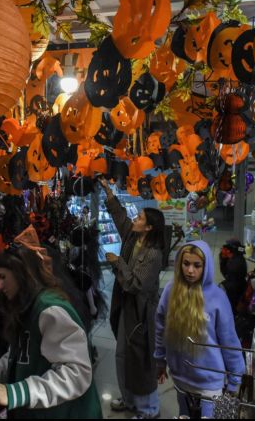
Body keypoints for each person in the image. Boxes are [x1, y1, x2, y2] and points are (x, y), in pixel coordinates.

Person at [0, 245, 102, 419]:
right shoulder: (26, 306)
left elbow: (77, 373)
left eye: (3, 277)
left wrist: (16, 392)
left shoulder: (50, 309)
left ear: (21, 275)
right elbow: (18, 354)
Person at [98, 176, 165, 419]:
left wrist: (118, 263)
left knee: (141, 359)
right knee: (122, 355)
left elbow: (136, 284)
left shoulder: (153, 254)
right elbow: (120, 217)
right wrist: (108, 191)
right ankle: (129, 400)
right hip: (127, 308)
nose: (134, 219)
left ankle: (148, 408)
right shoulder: (132, 238)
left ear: (148, 228)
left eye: (139, 218)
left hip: (141, 313)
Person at [155, 241, 246, 418]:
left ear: (206, 266)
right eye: (186, 264)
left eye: (197, 265)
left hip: (210, 383)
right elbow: (160, 328)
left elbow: (229, 341)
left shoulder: (218, 297)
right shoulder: (170, 290)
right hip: (180, 378)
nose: (190, 270)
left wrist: (235, 380)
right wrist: (160, 360)